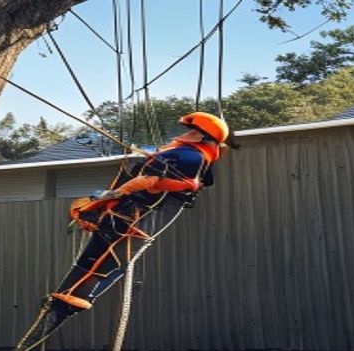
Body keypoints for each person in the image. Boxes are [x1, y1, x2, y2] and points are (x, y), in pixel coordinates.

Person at [46, 111, 230, 321]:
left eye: (191, 130)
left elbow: (147, 183)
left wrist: (115, 194)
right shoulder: (200, 158)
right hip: (138, 217)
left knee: (107, 258)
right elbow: (204, 181)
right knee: (111, 258)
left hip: (135, 215)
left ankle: (69, 301)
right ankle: (67, 300)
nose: (183, 134)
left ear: (200, 136)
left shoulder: (190, 156)